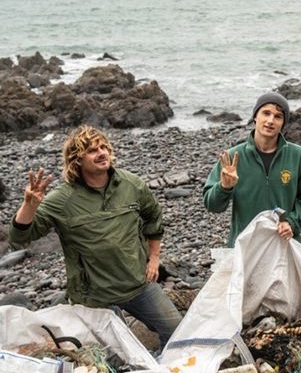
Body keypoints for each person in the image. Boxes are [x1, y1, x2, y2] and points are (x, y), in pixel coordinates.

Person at [8, 126, 182, 348]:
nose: (101, 153)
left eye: (103, 147)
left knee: (178, 334)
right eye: (91, 150)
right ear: (77, 160)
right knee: (116, 357)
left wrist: (154, 257)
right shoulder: (61, 200)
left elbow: (153, 216)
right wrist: (29, 206)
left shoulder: (131, 184)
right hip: (94, 297)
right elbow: (20, 237)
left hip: (137, 284)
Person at [203, 92, 301, 247]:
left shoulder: (296, 155)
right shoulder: (233, 158)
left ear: (283, 123)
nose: (270, 121)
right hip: (245, 246)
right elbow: (212, 205)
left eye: (278, 116)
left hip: (284, 244)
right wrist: (224, 187)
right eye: (266, 113)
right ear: (255, 117)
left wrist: (292, 222)